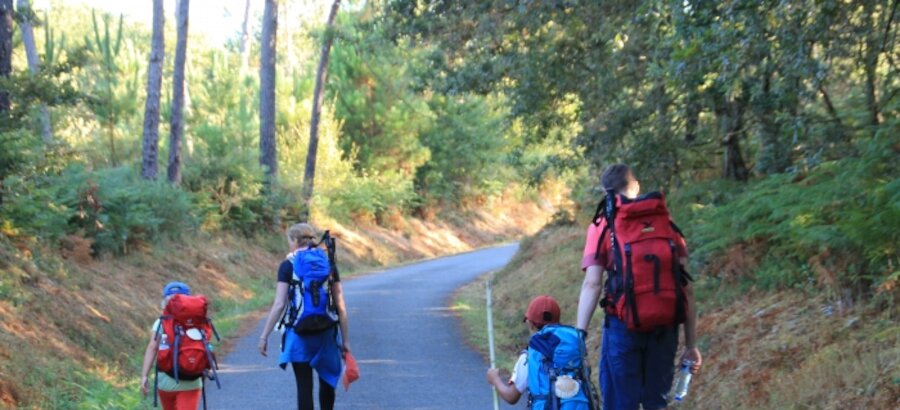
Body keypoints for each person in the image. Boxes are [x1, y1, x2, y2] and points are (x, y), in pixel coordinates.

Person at [576, 164, 702, 410]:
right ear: (636, 186)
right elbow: (686, 288)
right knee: (656, 402)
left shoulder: (603, 225)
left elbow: (592, 283)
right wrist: (691, 345)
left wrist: (579, 335)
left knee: (620, 403)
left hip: (623, 327)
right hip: (665, 327)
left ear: (605, 191)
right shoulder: (666, 222)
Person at [258, 223, 350, 410]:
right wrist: (346, 340)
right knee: (327, 382)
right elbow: (340, 305)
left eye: (289, 241)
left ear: (294, 240)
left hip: (298, 333)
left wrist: (264, 335)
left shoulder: (287, 265)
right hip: (327, 333)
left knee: (304, 386)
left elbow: (279, 304)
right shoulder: (327, 263)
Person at [486, 295, 592, 410]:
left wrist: (495, 379)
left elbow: (511, 396)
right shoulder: (573, 347)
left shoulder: (530, 355)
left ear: (530, 323)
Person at [140, 281, 203, 410]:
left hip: (166, 382)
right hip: (192, 380)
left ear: (165, 300)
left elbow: (152, 347)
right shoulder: (198, 320)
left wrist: (144, 376)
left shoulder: (161, 321)